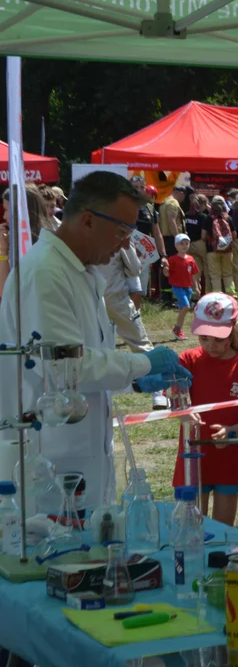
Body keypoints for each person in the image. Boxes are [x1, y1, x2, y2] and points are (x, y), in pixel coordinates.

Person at [0, 171, 190, 510]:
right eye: (121, 232)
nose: (125, 244)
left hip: (78, 452)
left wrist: (132, 382)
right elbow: (65, 366)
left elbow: (89, 359)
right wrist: (142, 362)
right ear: (87, 220)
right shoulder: (46, 273)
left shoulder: (83, 271)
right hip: (47, 456)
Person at [172, 293, 238, 526]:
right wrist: (183, 411)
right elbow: (175, 400)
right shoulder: (188, 360)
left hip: (229, 461)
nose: (210, 346)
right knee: (192, 527)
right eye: (204, 338)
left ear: (233, 330)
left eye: (218, 339)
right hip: (192, 458)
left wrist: (233, 430)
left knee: (223, 531)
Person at [0, 185, 54, 301]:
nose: (4, 217)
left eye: (6, 210)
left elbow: (5, 291)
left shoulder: (43, 245)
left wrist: (3, 252)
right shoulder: (46, 239)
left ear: (21, 211)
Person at [163, 234, 200, 340]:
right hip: (177, 287)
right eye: (181, 244)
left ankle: (178, 330)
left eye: (186, 243)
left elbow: (193, 274)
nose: (184, 246)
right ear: (176, 246)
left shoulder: (191, 259)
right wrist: (165, 271)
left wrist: (196, 287)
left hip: (187, 288)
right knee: (186, 307)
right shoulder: (173, 259)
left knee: (182, 310)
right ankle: (177, 329)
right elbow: (167, 274)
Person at [205, 196, 235, 295]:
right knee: (228, 275)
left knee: (215, 276)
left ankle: (217, 298)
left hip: (212, 250)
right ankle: (231, 296)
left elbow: (202, 236)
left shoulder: (208, 218)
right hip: (228, 251)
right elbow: (234, 235)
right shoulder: (228, 218)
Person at [184, 193, 211, 291]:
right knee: (208, 270)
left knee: (195, 271)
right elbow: (204, 234)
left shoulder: (186, 215)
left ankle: (195, 293)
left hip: (189, 244)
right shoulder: (203, 216)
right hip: (201, 243)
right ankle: (208, 292)